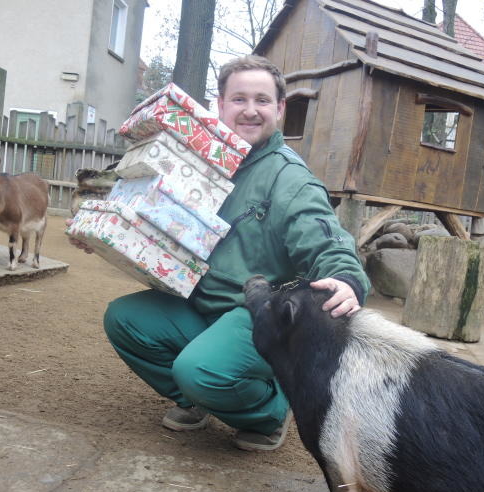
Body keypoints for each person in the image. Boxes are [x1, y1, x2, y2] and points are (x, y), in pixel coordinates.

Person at [80, 55, 370, 451]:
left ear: (280, 109)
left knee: (198, 369)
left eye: (263, 100)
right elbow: (152, 219)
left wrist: (345, 276)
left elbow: (325, 238)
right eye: (239, 99)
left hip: (259, 316)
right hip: (201, 303)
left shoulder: (290, 179)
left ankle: (270, 411)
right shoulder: (203, 162)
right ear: (220, 105)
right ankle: (194, 400)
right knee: (125, 319)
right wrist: (103, 234)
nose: (250, 110)